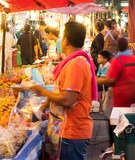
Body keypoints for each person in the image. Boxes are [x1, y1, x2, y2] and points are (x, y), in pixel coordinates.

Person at [19, 21, 97, 160]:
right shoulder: (74, 62)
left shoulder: (76, 65)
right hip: (68, 130)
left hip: (72, 131)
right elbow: (61, 90)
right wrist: (45, 105)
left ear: (66, 40)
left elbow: (67, 99)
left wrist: (42, 91)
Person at [98, 37, 135, 107]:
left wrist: (96, 80)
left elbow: (110, 79)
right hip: (134, 94)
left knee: (120, 115)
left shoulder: (117, 61)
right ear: (127, 46)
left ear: (118, 47)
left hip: (120, 96)